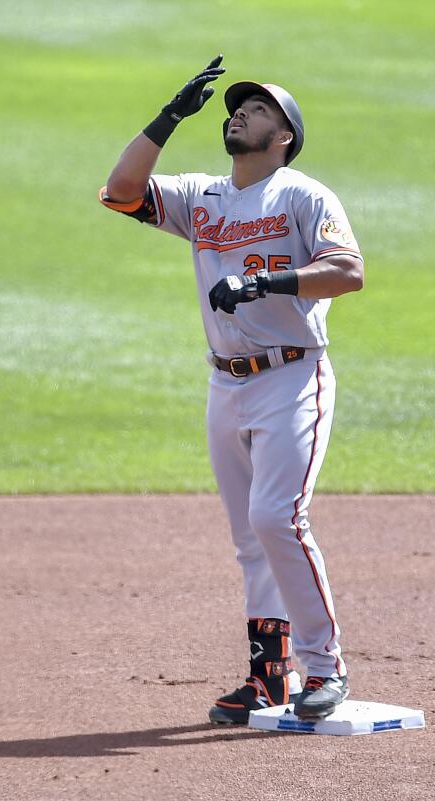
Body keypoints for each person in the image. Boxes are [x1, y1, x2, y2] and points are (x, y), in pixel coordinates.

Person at [99, 57, 364, 722]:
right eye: (236, 107)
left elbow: (347, 270)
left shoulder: (303, 195)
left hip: (292, 375)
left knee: (277, 517)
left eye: (259, 109)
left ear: (283, 137)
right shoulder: (201, 197)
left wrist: (263, 283)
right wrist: (168, 118)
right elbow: (122, 191)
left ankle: (325, 668)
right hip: (226, 383)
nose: (239, 112)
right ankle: (268, 676)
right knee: (251, 536)